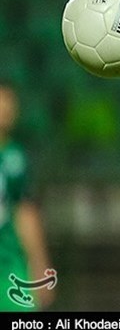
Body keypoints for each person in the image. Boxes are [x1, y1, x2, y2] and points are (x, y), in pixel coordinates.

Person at [0, 81, 56, 311]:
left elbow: (25, 213)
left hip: (8, 269)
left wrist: (40, 267)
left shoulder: (15, 157)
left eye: (10, 103)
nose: (6, 109)